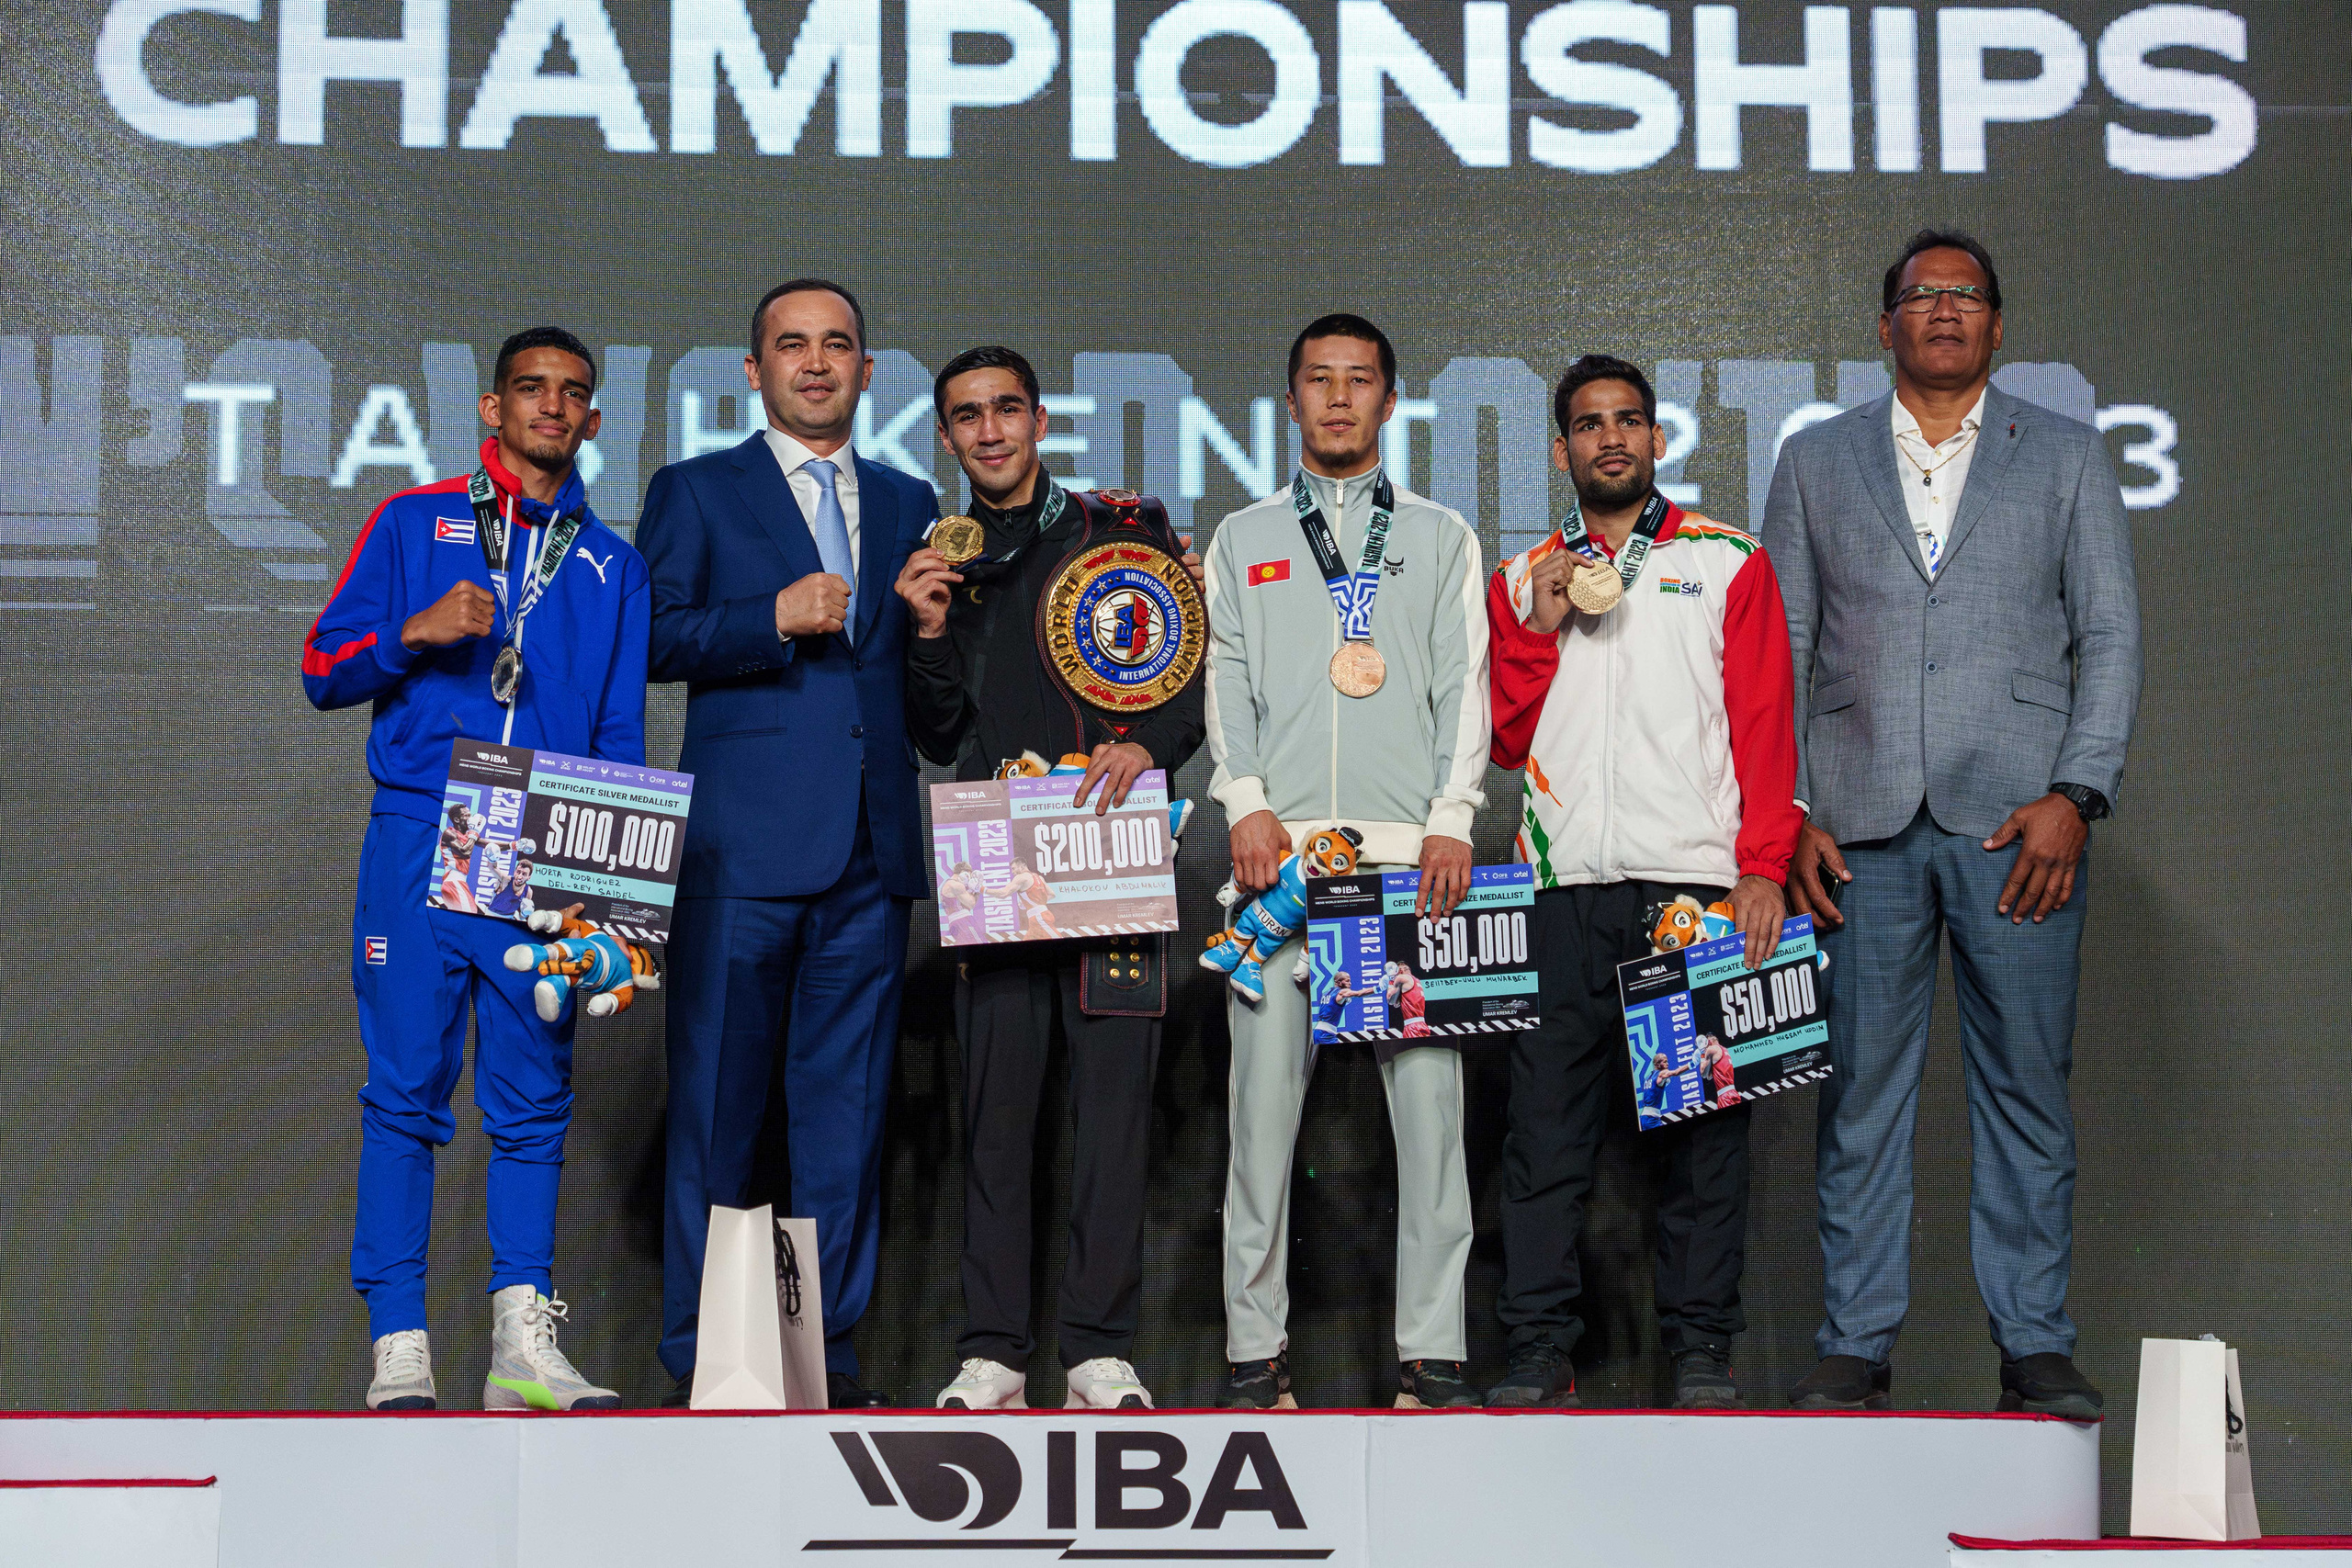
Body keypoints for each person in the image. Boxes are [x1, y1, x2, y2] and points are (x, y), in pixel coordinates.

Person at [1763, 231, 2142, 1416]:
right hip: (1857, 827)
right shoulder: (1816, 459)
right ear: (1884, 326)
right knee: (1861, 1092)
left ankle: (2033, 1341)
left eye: (1965, 295)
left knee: (2026, 1087)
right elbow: (1780, 646)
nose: (1943, 310)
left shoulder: (2069, 457)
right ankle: (1854, 1342)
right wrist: (1792, 808)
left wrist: (2076, 793)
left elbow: (2113, 636)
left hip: (2018, 827)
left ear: (1995, 325)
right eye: (1921, 296)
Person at [301, 326, 649, 1412]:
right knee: (406, 1090)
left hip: (542, 831)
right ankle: (398, 1340)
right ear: (492, 409)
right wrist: (411, 631)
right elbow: (322, 668)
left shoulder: (610, 562)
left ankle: (519, 1344)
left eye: (574, 395)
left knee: (534, 1097)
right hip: (423, 823)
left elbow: (622, 735)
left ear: (594, 422)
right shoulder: (413, 522)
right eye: (531, 390)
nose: (553, 407)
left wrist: (612, 900)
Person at [638, 279, 937, 1409]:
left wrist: (936, 633)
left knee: (844, 1124)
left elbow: (923, 691)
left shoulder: (911, 500)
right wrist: (768, 617)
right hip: (739, 856)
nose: (816, 363)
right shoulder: (695, 490)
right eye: (791, 345)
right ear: (752, 370)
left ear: (868, 370)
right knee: (713, 1117)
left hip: (870, 857)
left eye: (839, 345)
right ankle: (700, 1359)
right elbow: (651, 637)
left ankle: (825, 1361)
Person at [1487, 354, 1801, 1410]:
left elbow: (1763, 730)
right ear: (1563, 447)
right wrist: (1533, 628)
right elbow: (1503, 739)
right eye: (1586, 425)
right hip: (1558, 888)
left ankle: (1700, 1352)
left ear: (1658, 440)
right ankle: (1538, 1349)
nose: (1608, 438)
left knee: (1704, 1133)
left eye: (1627, 421)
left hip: (1694, 889)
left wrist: (1759, 871)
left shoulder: (1726, 559)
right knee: (1543, 1137)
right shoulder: (1522, 574)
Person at [897, 344, 1206, 1412]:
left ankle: (1096, 1350)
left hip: (1108, 851)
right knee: (996, 1112)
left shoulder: (1123, 531)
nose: (988, 431)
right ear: (946, 436)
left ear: (1037, 420)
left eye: (1005, 410)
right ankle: (993, 1350)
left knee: (1114, 1109)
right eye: (966, 416)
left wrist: (1153, 744)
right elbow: (937, 737)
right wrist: (929, 630)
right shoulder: (939, 557)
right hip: (998, 860)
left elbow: (1193, 681)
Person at [1204, 312, 1490, 1411]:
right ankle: (1252, 1356)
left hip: (1410, 872)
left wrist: (1453, 817)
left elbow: (1466, 684)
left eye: (1358, 381)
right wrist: (1244, 800)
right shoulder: (1241, 536)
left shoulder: (1441, 535)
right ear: (1290, 402)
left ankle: (1432, 1356)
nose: (1337, 399)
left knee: (1432, 1130)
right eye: (1317, 380)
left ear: (1387, 399)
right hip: (1277, 872)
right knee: (1258, 1131)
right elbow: (1226, 680)